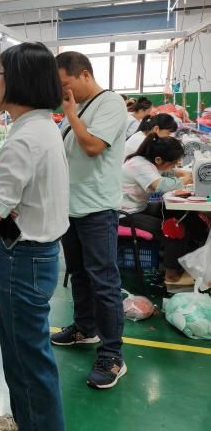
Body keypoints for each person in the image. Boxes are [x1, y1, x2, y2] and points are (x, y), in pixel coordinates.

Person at [0, 42, 68, 431]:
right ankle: (28, 418)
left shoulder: (25, 138)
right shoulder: (42, 127)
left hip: (22, 260)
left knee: (27, 359)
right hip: (37, 254)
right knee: (24, 354)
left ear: (18, 81)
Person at [52, 51, 128, 389]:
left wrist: (70, 113)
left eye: (65, 83)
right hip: (71, 208)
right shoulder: (77, 109)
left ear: (85, 74)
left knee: (104, 283)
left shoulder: (109, 103)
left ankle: (113, 355)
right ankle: (85, 328)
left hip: (97, 209)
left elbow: (94, 147)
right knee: (79, 274)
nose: (63, 91)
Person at [121, 135, 200, 286]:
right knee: (174, 230)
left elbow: (164, 172)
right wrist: (183, 180)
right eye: (173, 162)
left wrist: (178, 173)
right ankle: (171, 275)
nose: (174, 165)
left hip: (138, 207)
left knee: (183, 216)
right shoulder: (139, 165)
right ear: (158, 159)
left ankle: (182, 260)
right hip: (125, 214)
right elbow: (160, 185)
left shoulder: (146, 162)